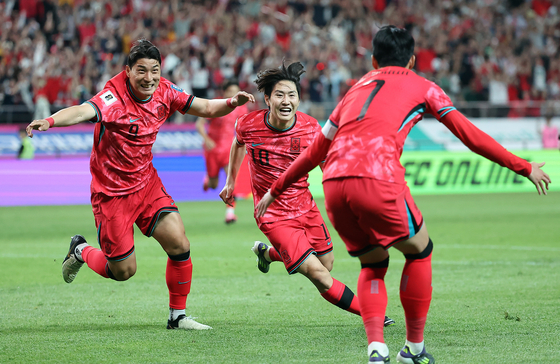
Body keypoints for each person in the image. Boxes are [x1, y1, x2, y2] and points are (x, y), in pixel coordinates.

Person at [256, 26, 551, 363]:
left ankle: (376, 347)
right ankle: (413, 348)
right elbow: (468, 134)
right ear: (411, 59)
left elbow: (314, 152)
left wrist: (274, 189)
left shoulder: (354, 90)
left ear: (373, 60)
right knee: (420, 251)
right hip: (378, 178)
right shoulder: (423, 86)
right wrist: (523, 167)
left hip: (334, 184)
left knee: (374, 262)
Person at [26, 39, 255, 331]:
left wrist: (231, 103)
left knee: (179, 243)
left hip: (146, 183)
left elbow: (207, 107)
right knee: (123, 271)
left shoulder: (166, 91)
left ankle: (177, 316)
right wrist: (50, 121)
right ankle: (81, 250)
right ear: (128, 71)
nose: (149, 78)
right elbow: (82, 111)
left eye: (154, 70)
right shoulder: (113, 98)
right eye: (141, 71)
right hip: (111, 193)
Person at [219, 61, 395, 327]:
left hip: (306, 207)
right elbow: (238, 143)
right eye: (279, 95)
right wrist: (231, 181)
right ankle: (372, 315)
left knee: (327, 264)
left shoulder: (312, 128)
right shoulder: (248, 124)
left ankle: (268, 254)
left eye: (292, 95)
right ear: (267, 99)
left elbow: (329, 166)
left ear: (299, 99)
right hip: (272, 215)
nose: (286, 100)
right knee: (318, 274)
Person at [195, 79, 249, 224]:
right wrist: (206, 139)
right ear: (225, 93)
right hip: (212, 150)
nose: (233, 94)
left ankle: (230, 213)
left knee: (231, 179)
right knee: (214, 185)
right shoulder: (216, 105)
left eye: (235, 91)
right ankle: (208, 181)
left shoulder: (242, 109)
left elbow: (244, 129)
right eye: (230, 91)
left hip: (228, 150)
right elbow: (199, 124)